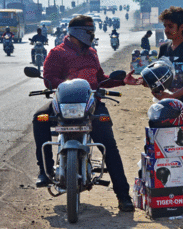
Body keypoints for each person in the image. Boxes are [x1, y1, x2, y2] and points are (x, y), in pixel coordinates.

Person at [32, 15, 141, 212]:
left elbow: (100, 79)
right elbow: (49, 79)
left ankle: (123, 195)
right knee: (39, 118)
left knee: (109, 145)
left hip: (91, 104)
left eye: (92, 31)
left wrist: (123, 80)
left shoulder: (92, 53)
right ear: (76, 32)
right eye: (88, 31)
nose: (91, 35)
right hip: (64, 104)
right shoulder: (57, 53)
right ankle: (44, 171)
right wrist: (66, 88)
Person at [149, 6, 183, 122]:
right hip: (165, 103)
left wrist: (173, 96)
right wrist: (147, 82)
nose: (166, 30)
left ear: (181, 27)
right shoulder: (164, 48)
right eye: (165, 26)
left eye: (170, 26)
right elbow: (160, 77)